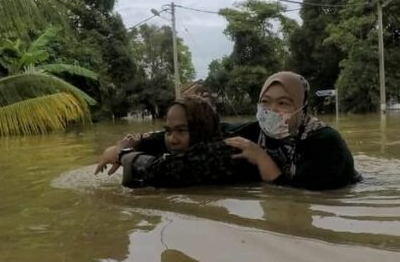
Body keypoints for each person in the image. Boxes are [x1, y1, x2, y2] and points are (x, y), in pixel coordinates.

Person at [224, 71, 360, 190]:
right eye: (265, 102)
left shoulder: (325, 142)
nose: (272, 110)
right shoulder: (256, 132)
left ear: (302, 109)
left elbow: (299, 196)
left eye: (282, 103)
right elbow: (215, 129)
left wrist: (262, 159)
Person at [95, 96, 258, 188]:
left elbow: (163, 170)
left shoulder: (223, 153)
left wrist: (122, 154)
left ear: (201, 129)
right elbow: (161, 140)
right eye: (168, 131)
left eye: (181, 130)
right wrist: (134, 143)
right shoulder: (208, 136)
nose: (172, 139)